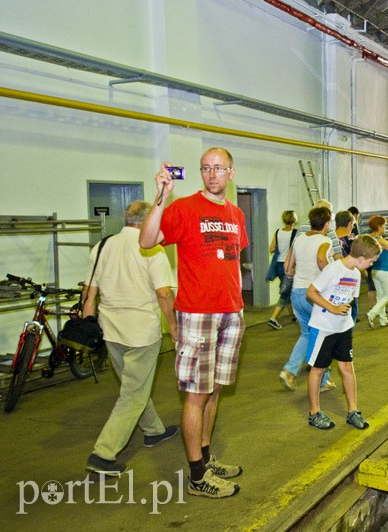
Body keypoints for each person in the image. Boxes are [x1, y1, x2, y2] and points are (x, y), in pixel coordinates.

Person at [139, 147, 247, 499]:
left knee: (215, 389)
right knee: (196, 395)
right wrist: (161, 195)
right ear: (201, 173)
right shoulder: (184, 208)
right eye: (206, 168)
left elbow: (231, 258)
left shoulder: (235, 214)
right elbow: (147, 240)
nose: (212, 174)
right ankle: (197, 475)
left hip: (232, 311)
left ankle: (205, 455)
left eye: (218, 168)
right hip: (198, 313)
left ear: (231, 173)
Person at [83, 200, 178, 476]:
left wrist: (89, 325)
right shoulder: (152, 250)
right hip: (141, 333)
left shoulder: (102, 247)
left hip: (110, 330)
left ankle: (153, 431)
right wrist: (174, 328)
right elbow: (163, 294)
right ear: (149, 222)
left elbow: (89, 292)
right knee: (133, 394)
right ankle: (103, 454)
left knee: (133, 385)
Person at [305, 235, 381, 430]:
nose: (371, 265)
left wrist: (346, 318)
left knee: (347, 367)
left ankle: (353, 410)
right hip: (323, 328)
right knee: (318, 369)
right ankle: (314, 413)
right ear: (362, 258)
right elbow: (311, 292)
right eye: (371, 262)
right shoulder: (333, 269)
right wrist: (332, 308)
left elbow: (350, 300)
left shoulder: (356, 273)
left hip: (343, 328)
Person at [279, 206, 335, 392]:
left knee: (307, 333)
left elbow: (288, 266)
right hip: (315, 295)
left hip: (297, 293)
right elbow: (321, 259)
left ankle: (289, 371)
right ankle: (323, 380)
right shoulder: (325, 240)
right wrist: (332, 274)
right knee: (325, 335)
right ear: (327, 224)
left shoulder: (299, 239)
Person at [267, 210, 298, 330]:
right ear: (295, 220)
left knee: (287, 288)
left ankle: (294, 315)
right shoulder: (296, 233)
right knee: (286, 291)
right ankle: (273, 318)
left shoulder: (277, 232)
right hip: (289, 265)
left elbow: (271, 249)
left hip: (279, 265)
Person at [334, 210, 359, 321]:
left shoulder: (329, 239)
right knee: (350, 312)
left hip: (331, 280)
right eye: (352, 225)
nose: (352, 227)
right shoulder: (351, 240)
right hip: (348, 281)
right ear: (349, 224)